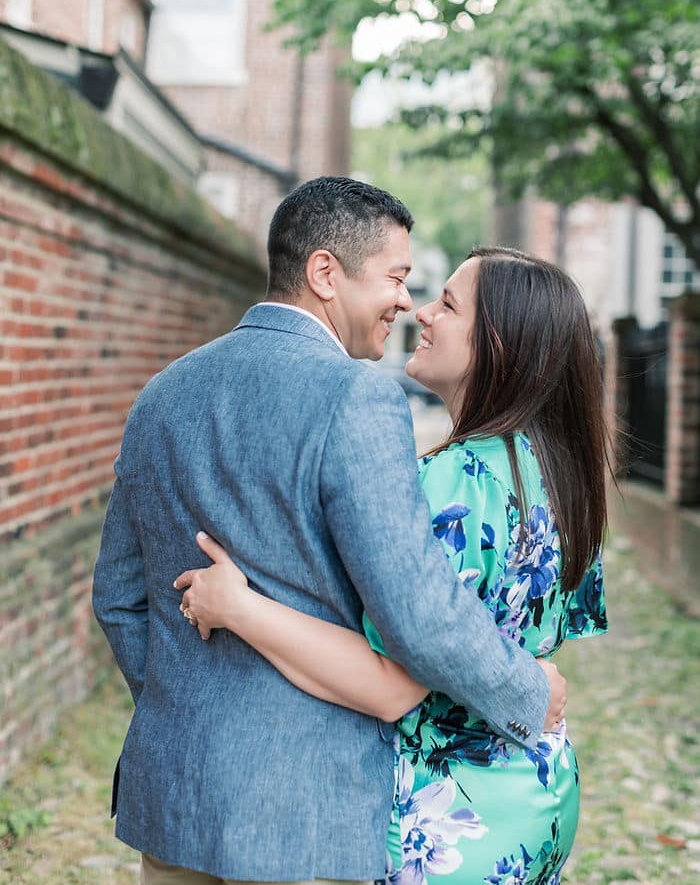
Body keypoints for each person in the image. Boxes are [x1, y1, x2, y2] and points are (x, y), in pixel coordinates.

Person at [92, 179, 565, 885]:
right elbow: (419, 613)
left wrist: (189, 711)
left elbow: (119, 597)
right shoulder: (356, 394)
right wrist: (529, 692)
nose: (406, 301)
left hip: (176, 793)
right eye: (396, 278)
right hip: (304, 815)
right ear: (324, 273)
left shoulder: (162, 393)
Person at [175, 247, 609, 885]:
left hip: (447, 825)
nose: (422, 311)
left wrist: (238, 607)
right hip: (538, 793)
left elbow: (387, 688)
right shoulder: (561, 478)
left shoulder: (452, 484)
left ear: (496, 344)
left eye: (449, 304)